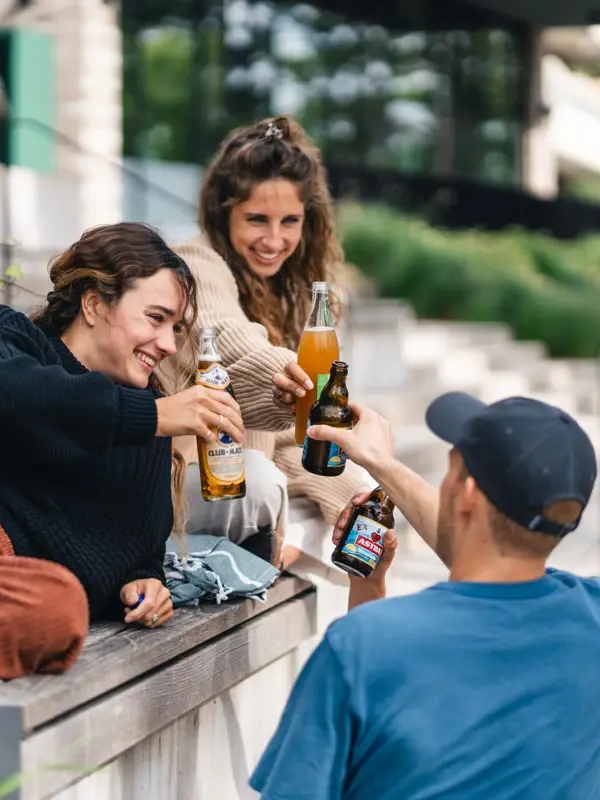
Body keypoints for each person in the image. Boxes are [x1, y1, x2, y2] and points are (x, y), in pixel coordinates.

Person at [250, 392, 600, 799]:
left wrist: (383, 465)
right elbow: (496, 551)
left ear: (466, 493)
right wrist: (368, 580)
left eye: (451, 468)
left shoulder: (360, 647)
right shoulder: (591, 617)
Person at [0, 222, 244, 680]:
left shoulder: (150, 421)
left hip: (29, 592)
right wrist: (150, 417)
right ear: (94, 303)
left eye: (175, 327)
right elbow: (19, 396)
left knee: (56, 610)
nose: (169, 345)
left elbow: (138, 543)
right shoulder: (14, 340)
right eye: (156, 318)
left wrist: (147, 583)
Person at [160, 114, 373, 568]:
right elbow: (228, 337)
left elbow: (290, 436)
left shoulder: (303, 295)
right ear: (224, 212)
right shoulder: (195, 263)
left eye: (290, 221)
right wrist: (279, 371)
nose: (274, 240)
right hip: (193, 477)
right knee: (263, 484)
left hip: (257, 475)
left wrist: (344, 487)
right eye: (257, 219)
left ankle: (364, 630)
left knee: (366, 504)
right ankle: (276, 550)